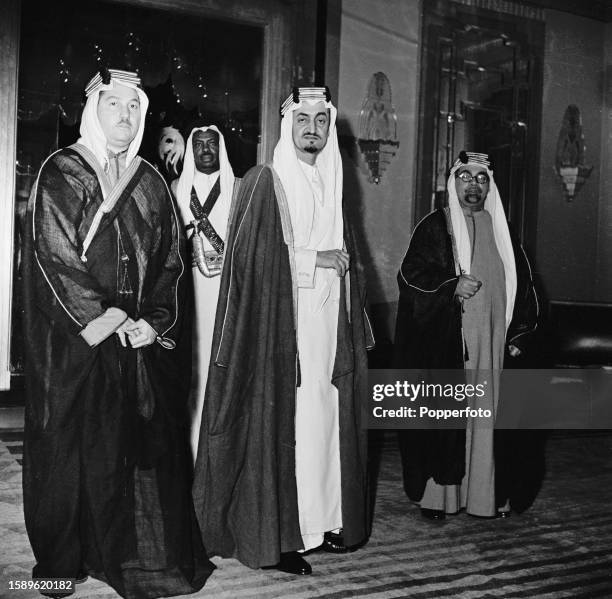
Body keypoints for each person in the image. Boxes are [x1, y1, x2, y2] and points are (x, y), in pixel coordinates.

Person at [21, 68, 213, 598]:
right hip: (72, 342)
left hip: (132, 345)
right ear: (93, 110)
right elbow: (54, 258)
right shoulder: (61, 172)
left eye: (134, 108)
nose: (125, 117)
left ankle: (112, 549)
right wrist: (108, 319)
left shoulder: (150, 180)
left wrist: (152, 321)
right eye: (114, 106)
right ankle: (58, 564)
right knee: (65, 450)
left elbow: (171, 263)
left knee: (117, 451)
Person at [193, 87, 374, 575]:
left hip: (327, 332)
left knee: (323, 429)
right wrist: (314, 261)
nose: (311, 127)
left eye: (320, 119)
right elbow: (249, 264)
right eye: (302, 119)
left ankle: (324, 523)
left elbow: (347, 260)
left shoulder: (334, 182)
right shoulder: (262, 181)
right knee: (288, 429)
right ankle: (279, 536)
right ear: (288, 126)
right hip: (278, 331)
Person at [394, 151, 538, 520]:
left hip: (494, 349)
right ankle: (439, 500)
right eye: (465, 177)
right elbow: (410, 276)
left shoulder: (504, 234)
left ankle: (487, 497)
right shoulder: (435, 226)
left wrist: (520, 333)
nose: (473, 185)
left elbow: (526, 291)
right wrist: (451, 286)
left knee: (491, 420)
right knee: (449, 423)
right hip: (450, 347)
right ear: (452, 182)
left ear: (490, 186)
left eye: (481, 178)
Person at [172, 125, 240, 460]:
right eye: (198, 145)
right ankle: (192, 452)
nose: (205, 150)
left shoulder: (238, 190)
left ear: (221, 148)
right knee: (194, 371)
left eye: (211, 144)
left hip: (228, 294)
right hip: (190, 294)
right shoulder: (176, 189)